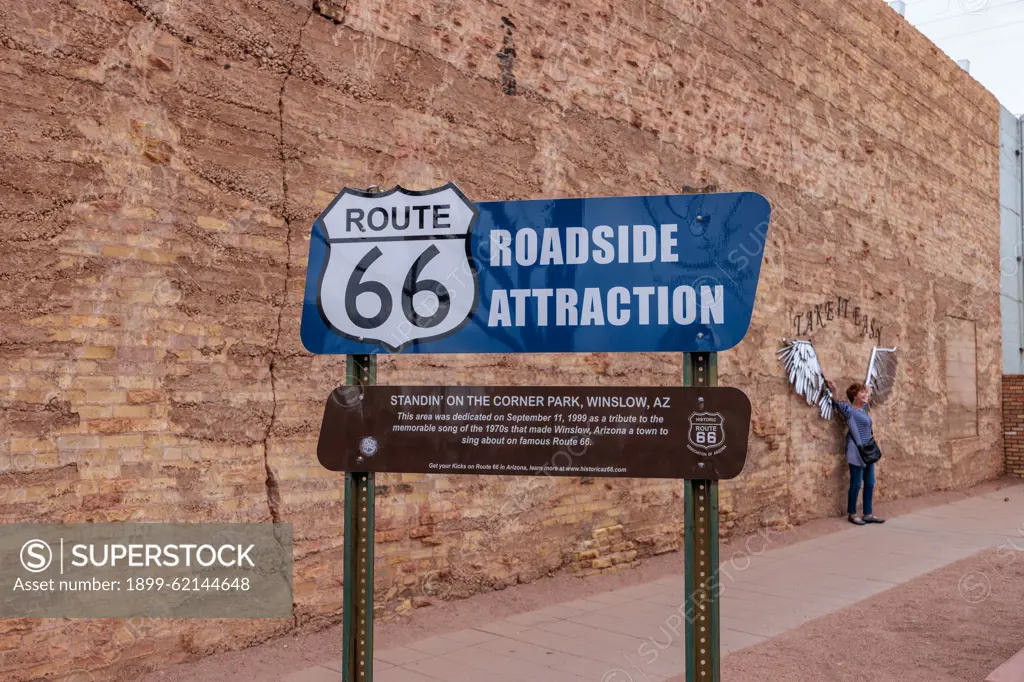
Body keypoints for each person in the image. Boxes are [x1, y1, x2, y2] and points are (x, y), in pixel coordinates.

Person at [826, 379, 885, 526]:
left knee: (870, 483)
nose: (865, 395)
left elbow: (867, 400)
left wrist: (868, 391)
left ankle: (868, 514)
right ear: (854, 396)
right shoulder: (849, 410)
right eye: (862, 393)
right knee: (856, 484)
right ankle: (852, 514)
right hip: (856, 450)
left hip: (868, 451)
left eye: (865, 393)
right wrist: (834, 390)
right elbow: (835, 403)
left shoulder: (863, 410)